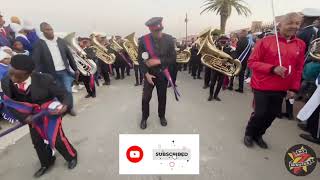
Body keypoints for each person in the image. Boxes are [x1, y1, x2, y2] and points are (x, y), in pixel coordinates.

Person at [1, 55, 77, 177]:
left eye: (19, 76)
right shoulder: (5, 82)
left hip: (49, 114)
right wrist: (24, 118)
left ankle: (71, 156)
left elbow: (64, 94)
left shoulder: (44, 79)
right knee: (37, 142)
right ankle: (46, 163)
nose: (13, 79)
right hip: (31, 119)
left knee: (57, 139)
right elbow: (10, 104)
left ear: (30, 73)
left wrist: (65, 106)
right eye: (11, 73)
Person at [243, 12, 305, 149]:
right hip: (262, 85)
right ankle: (249, 133)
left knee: (271, 114)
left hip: (282, 87)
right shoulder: (265, 41)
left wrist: (294, 88)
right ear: (280, 25)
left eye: (297, 23)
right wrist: (272, 68)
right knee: (260, 113)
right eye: (290, 23)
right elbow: (252, 62)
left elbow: (299, 68)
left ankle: (259, 134)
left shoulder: (300, 44)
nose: (294, 26)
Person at [32, 22, 78, 116]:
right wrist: (36, 73)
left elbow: (69, 56)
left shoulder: (60, 41)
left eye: (51, 29)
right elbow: (36, 60)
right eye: (47, 30)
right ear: (42, 31)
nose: (50, 31)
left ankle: (70, 108)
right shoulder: (39, 43)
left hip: (64, 71)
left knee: (68, 91)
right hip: (50, 73)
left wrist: (75, 68)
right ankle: (61, 109)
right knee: (56, 93)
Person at [138, 17, 176, 129]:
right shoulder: (144, 41)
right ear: (150, 30)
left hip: (162, 74)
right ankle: (144, 118)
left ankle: (162, 116)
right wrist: (146, 74)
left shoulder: (169, 39)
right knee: (145, 98)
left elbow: (173, 58)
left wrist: (159, 61)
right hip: (149, 74)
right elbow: (141, 60)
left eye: (160, 30)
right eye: (156, 31)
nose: (159, 33)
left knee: (162, 97)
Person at [208, 36, 232, 101]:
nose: (223, 43)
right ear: (219, 42)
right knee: (212, 82)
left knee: (220, 83)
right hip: (215, 67)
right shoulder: (215, 48)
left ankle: (216, 95)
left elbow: (232, 57)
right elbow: (211, 56)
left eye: (224, 42)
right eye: (221, 42)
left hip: (223, 68)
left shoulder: (229, 49)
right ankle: (211, 95)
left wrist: (226, 59)